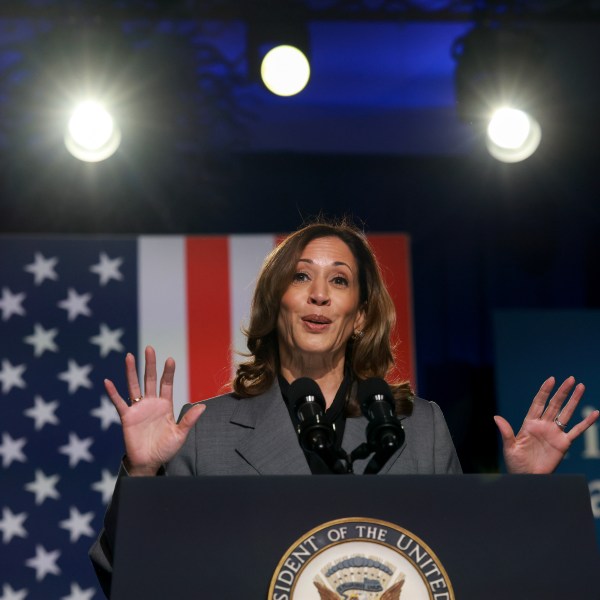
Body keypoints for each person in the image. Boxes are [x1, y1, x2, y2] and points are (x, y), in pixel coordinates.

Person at [89, 219, 599, 594]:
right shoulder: (206, 428)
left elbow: (463, 569)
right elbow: (128, 577)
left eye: (338, 280)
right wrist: (141, 471)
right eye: (300, 278)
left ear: (358, 316)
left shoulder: (419, 427)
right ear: (275, 303)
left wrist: (526, 495)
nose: (318, 296)